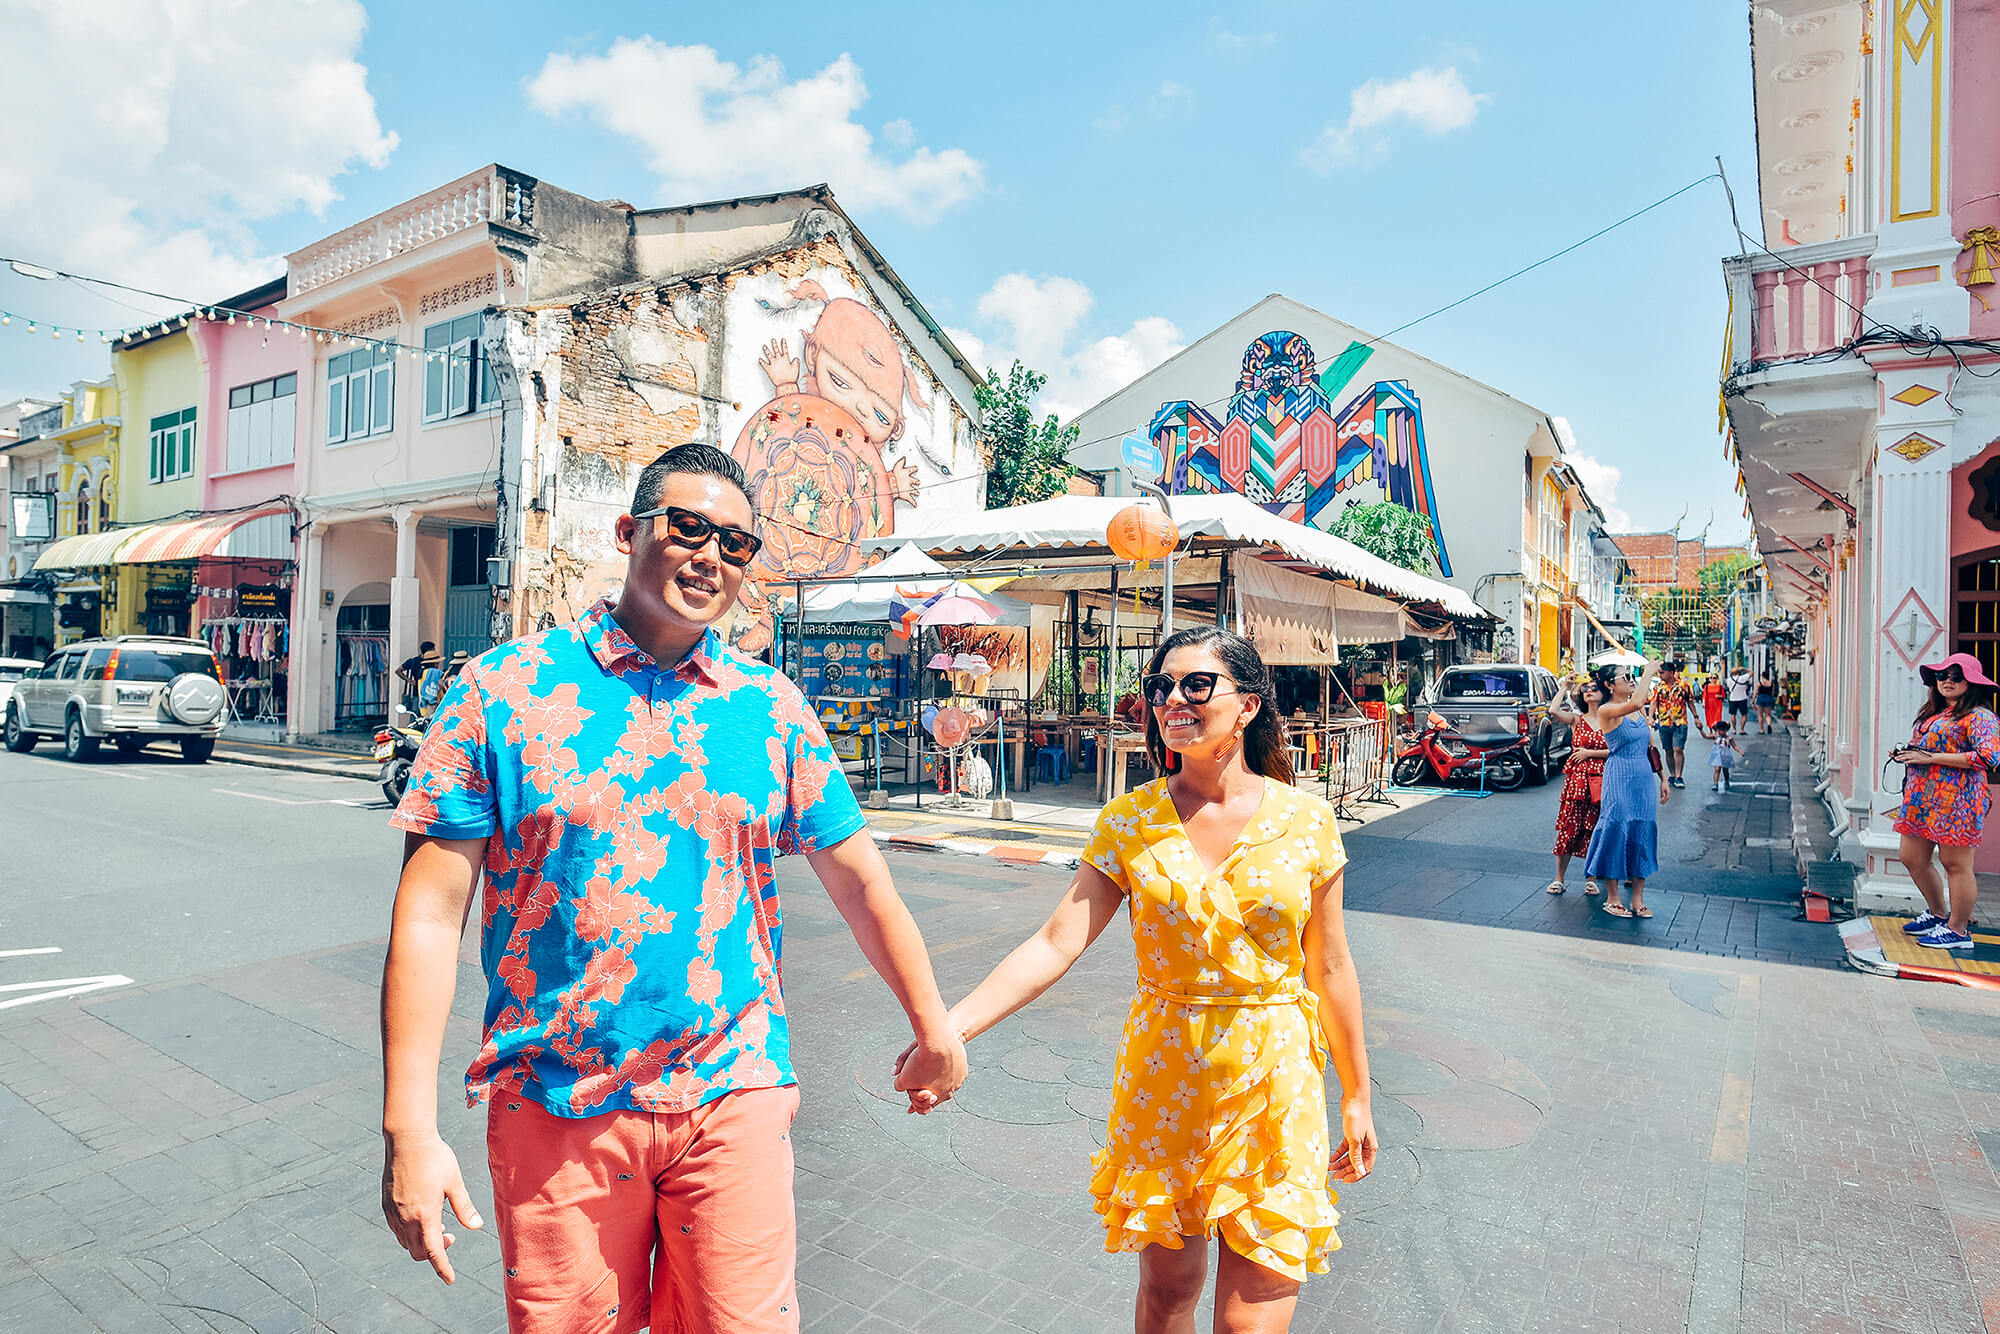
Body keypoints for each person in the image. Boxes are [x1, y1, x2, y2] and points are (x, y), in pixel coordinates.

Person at [378, 444, 967, 1333]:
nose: (711, 556)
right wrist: (408, 1131)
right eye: (688, 527)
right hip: (554, 1101)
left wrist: (934, 1026)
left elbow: (860, 881)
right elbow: (429, 912)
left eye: (736, 543)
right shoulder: (503, 690)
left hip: (734, 1088)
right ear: (628, 533)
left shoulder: (771, 709)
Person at [912, 626, 1375, 1332]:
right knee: (1167, 1296)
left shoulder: (1306, 821)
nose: (1173, 699)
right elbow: (1055, 942)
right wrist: (950, 1030)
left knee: (1254, 1313)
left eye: (1196, 684)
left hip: (1276, 1084)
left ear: (1247, 705)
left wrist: (1357, 1098)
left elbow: (1332, 965)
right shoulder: (1128, 821)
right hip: (1167, 1080)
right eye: (1161, 687)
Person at [1893, 654, 2000, 951]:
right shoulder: (1935, 714)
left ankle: (1958, 930)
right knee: (1911, 857)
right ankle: (1939, 913)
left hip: (1959, 800)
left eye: (1956, 676)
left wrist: (1930, 757)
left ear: (1972, 682)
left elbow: (1988, 757)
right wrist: (1909, 754)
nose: (1948, 681)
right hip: (1922, 798)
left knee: (1955, 864)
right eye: (1942, 676)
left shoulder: (1980, 716)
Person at [1585, 661, 1671, 919]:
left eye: (1633, 676)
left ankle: (1637, 899)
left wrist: (1663, 778)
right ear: (1610, 685)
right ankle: (1612, 898)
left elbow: (1650, 746)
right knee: (1615, 829)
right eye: (1626, 677)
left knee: (1642, 831)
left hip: (1643, 777)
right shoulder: (1607, 710)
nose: (1631, 680)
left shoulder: (1639, 713)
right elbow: (1635, 702)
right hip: (1619, 775)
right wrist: (1647, 673)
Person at [1547, 676, 1612, 896]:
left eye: (1595, 688)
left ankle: (1591, 878)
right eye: (1586, 689)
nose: (1589, 691)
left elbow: (1616, 749)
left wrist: (1589, 753)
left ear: (1604, 693)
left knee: (1594, 829)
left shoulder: (1609, 719)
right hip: (1577, 782)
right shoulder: (1577, 719)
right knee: (1569, 828)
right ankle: (1559, 878)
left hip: (1601, 781)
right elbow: (1553, 711)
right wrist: (1565, 685)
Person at [1647, 660, 1702, 790]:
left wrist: (1696, 717)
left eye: (1662, 672)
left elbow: (1690, 702)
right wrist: (1651, 717)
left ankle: (1679, 776)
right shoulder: (1658, 687)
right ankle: (1672, 774)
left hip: (1680, 722)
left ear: (1671, 672)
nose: (1660, 675)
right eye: (1659, 672)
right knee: (1668, 750)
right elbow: (1653, 703)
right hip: (1664, 723)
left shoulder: (1684, 685)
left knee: (1678, 749)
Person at [1709, 721, 1744, 792]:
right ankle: (1715, 783)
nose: (1722, 732)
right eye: (1720, 730)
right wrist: (1701, 730)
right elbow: (1705, 736)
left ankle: (1726, 780)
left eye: (1723, 730)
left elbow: (1735, 746)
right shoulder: (1716, 737)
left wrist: (1740, 751)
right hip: (1717, 756)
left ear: (1726, 730)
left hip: (1725, 756)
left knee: (1725, 770)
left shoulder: (1729, 739)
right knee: (1717, 769)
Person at [1726, 665, 1754, 729]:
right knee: (1744, 714)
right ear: (1738, 672)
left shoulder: (1728, 680)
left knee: (1733, 714)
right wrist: (1743, 668)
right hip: (1742, 698)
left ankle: (1734, 729)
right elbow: (1751, 672)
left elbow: (1729, 687)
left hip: (1733, 698)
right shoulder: (1743, 678)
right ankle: (1742, 729)